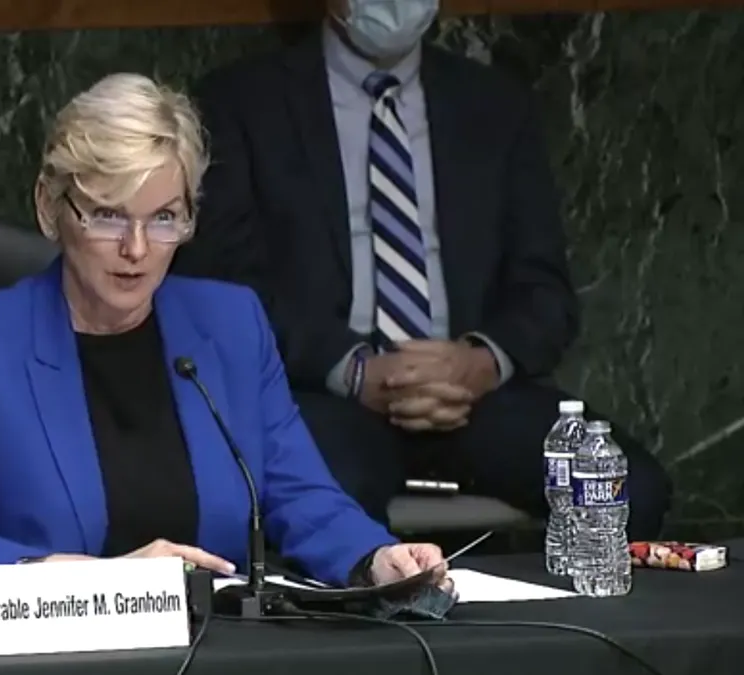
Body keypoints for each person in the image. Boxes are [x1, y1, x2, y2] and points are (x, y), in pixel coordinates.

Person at [0, 73, 448, 594]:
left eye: (163, 218)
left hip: (213, 652)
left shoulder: (229, 324)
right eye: (107, 215)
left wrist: (376, 557)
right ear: (50, 208)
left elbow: (302, 495)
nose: (137, 248)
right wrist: (90, 579)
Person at [174, 0, 672, 540]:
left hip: (473, 394)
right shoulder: (240, 104)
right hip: (320, 391)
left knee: (631, 491)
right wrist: (356, 371)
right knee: (320, 507)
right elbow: (223, 284)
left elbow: (545, 290)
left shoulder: (495, 105)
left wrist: (480, 362)